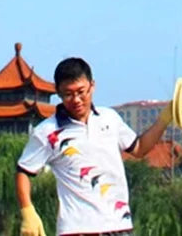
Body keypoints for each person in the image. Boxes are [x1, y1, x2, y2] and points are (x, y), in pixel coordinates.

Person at [16, 56, 173, 236]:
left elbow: (139, 149)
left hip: (119, 225)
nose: (76, 99)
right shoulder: (47, 132)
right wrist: (28, 212)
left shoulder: (110, 118)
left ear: (92, 86)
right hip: (78, 229)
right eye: (68, 94)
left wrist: (165, 119)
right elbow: (23, 171)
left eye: (81, 91)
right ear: (58, 93)